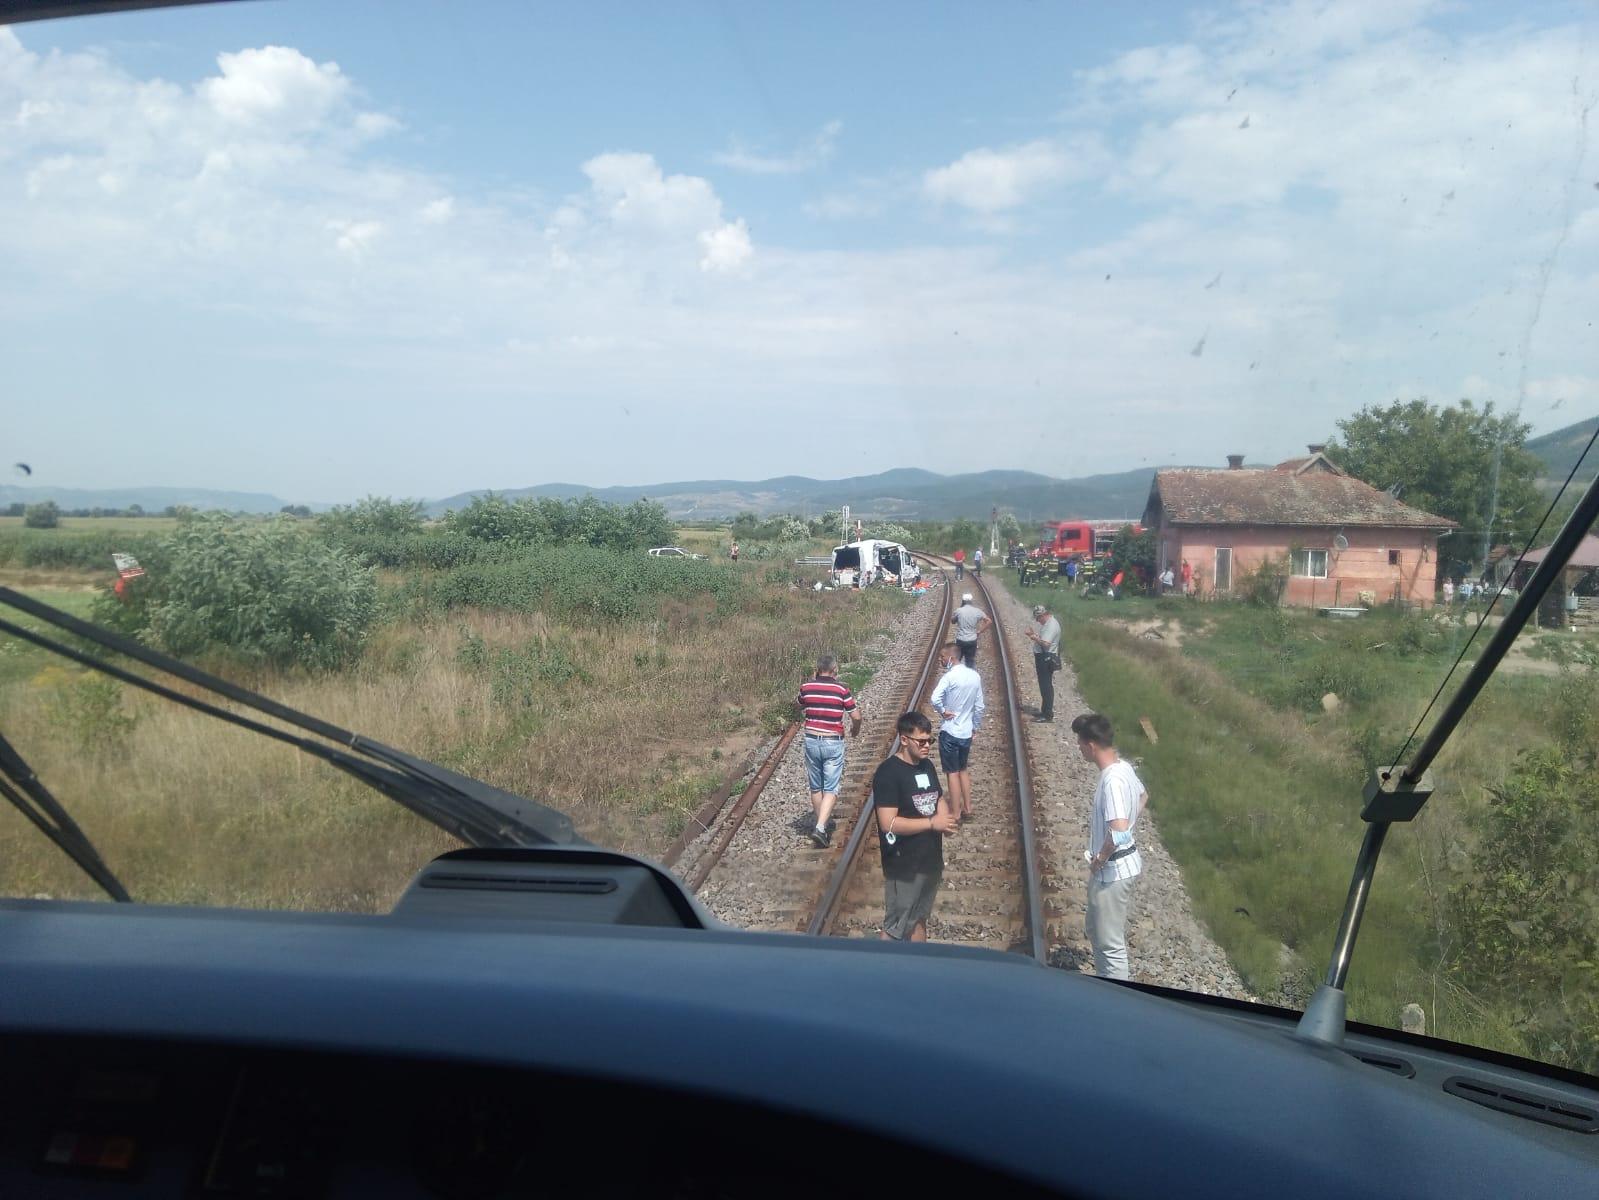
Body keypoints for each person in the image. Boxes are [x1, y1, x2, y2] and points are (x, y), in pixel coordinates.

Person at [1071, 713, 1147, 981]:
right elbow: (1143, 796)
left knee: (1110, 945)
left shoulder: (1112, 780)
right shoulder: (1123, 767)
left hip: (1112, 871)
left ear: (1091, 745)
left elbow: (1119, 829)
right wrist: (1128, 822)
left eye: (1080, 744)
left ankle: (1114, 993)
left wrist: (1100, 858)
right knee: (1096, 929)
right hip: (1116, 867)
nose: (1079, 749)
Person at [873, 712, 958, 942]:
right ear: (904, 739)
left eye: (930, 740)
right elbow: (888, 823)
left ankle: (918, 961)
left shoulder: (926, 766)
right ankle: (884, 963)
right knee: (896, 925)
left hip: (930, 859)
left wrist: (945, 821)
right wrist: (931, 823)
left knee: (919, 919)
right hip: (904, 863)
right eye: (921, 741)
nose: (927, 746)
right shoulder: (888, 773)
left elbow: (938, 798)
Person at [797, 654, 863, 848]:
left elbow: (798, 705)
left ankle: (822, 827)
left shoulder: (806, 687)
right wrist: (855, 729)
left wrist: (812, 684)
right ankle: (820, 827)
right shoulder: (841, 689)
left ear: (817, 669)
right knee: (831, 788)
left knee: (816, 787)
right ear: (835, 669)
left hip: (811, 740)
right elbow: (856, 716)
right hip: (832, 741)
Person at [930, 640, 984, 821]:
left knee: (952, 772)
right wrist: (975, 727)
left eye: (942, 657)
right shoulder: (975, 676)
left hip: (950, 731)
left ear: (951, 658)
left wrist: (943, 711)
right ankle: (968, 808)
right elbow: (980, 706)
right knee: (963, 769)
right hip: (966, 731)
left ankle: (955, 812)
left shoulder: (949, 677)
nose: (941, 660)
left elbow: (934, 698)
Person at [1024, 603, 1061, 722]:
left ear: (1042, 615)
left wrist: (1033, 637)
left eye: (1038, 618)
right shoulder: (1049, 624)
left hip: (1046, 658)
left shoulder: (1051, 625)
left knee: (1046, 686)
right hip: (1044, 657)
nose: (1037, 621)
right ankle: (1044, 711)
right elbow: (1044, 640)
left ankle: (1047, 715)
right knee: (1044, 685)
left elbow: (1046, 644)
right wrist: (1034, 635)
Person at [950, 592, 990, 666]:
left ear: (963, 601)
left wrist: (957, 615)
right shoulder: (977, 611)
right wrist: (979, 631)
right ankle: (970, 672)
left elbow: (953, 621)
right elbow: (989, 621)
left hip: (961, 640)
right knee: (970, 661)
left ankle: (956, 672)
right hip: (972, 640)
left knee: (957, 660)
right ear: (971, 601)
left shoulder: (959, 610)